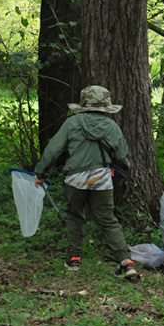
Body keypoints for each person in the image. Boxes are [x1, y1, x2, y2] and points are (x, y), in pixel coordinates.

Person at [34, 85, 138, 279]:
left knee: (75, 216)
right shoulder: (111, 126)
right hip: (102, 177)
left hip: (75, 178)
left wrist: (41, 172)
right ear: (105, 107)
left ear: (83, 105)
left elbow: (53, 150)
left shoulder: (72, 123)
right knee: (108, 220)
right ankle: (126, 262)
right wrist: (126, 166)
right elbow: (122, 156)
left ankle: (74, 259)